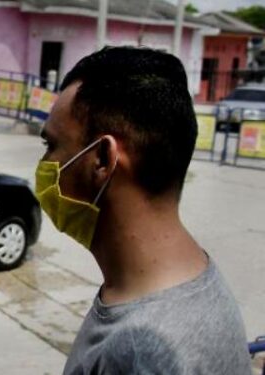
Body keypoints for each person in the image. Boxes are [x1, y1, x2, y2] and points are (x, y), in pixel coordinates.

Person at [35, 46, 250, 374]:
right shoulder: (190, 277)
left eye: (51, 146)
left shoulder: (140, 353)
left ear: (103, 160)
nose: (45, 165)